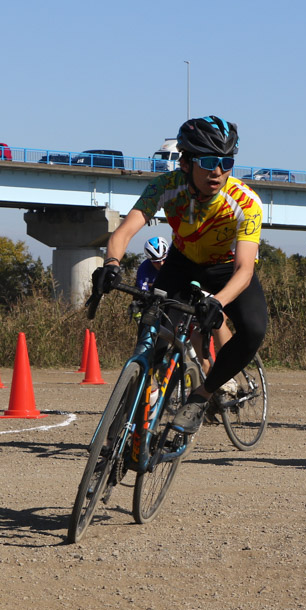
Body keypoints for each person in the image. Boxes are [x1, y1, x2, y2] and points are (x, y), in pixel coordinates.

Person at [91, 115, 266, 436]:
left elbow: (245, 269)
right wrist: (112, 263)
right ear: (186, 162)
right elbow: (124, 231)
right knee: (154, 330)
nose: (218, 171)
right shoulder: (165, 187)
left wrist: (219, 301)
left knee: (253, 330)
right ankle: (144, 395)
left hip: (227, 269)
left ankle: (202, 396)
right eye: (209, 161)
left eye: (227, 162)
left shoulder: (245, 202)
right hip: (182, 264)